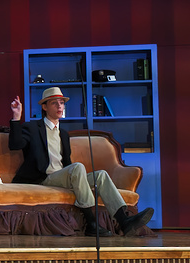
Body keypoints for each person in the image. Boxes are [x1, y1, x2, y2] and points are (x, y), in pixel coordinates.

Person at [9, 87, 154, 236]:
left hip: (62, 178)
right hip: (43, 178)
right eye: (54, 103)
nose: (59, 106)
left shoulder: (63, 134)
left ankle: (124, 221)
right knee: (77, 167)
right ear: (44, 107)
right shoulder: (33, 128)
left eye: (62, 103)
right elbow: (15, 144)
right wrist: (16, 118)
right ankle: (91, 223)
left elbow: (66, 163)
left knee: (101, 175)